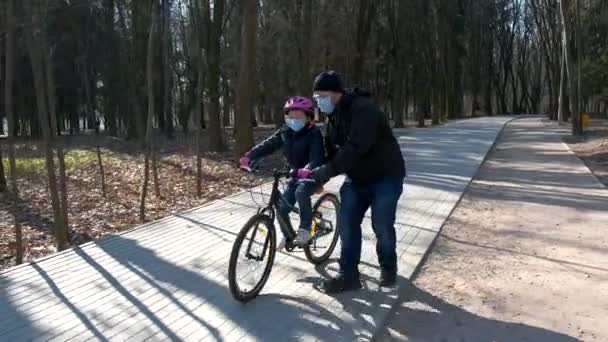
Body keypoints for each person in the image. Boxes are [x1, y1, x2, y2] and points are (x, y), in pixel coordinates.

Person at [295, 71, 406, 293]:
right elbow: (331, 153)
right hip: (357, 179)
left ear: (337, 93)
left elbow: (355, 148)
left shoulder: (364, 110)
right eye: (316, 96)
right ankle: (348, 275)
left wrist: (326, 170)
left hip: (386, 176)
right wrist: (319, 177)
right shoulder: (333, 118)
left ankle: (388, 267)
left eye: (322, 95)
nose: (319, 100)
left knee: (381, 225)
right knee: (346, 223)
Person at [239, 96, 325, 246]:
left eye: (298, 116)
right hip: (293, 174)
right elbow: (268, 145)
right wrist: (249, 156)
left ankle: (305, 232)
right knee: (282, 208)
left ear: (308, 117)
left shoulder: (314, 134)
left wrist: (308, 169)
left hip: (313, 174)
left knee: (301, 192)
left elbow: (316, 157)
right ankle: (289, 237)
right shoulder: (285, 132)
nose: (293, 120)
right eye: (290, 116)